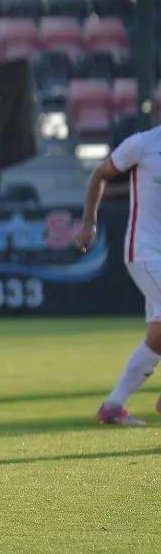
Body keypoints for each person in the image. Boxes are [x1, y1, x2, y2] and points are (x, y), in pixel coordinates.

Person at [76, 129, 161, 424]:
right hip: (144, 251)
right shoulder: (143, 143)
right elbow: (100, 173)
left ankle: (113, 406)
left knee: (158, 336)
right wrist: (89, 221)